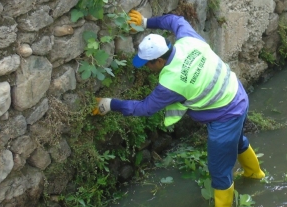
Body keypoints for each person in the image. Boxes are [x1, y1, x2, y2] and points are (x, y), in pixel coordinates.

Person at [92, 11, 264, 207]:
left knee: (219, 171)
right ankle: (255, 175)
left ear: (159, 61)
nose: (146, 68)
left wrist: (110, 104)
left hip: (225, 116)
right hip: (237, 93)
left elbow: (145, 108)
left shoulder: (171, 83)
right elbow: (176, 20)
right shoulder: (188, 40)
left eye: (147, 64)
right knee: (237, 140)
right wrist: (146, 21)